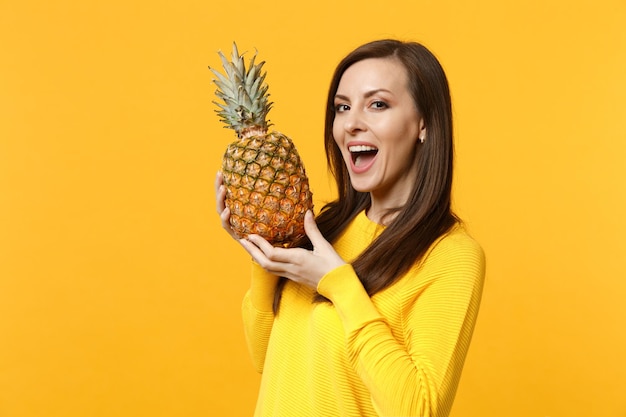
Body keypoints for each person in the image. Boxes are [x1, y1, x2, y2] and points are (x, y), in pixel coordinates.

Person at [215, 39, 485, 417]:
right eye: (342, 107)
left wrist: (338, 284)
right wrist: (262, 248)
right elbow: (266, 356)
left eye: (377, 104)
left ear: (423, 122)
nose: (352, 123)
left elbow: (418, 410)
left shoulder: (450, 255)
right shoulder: (322, 230)